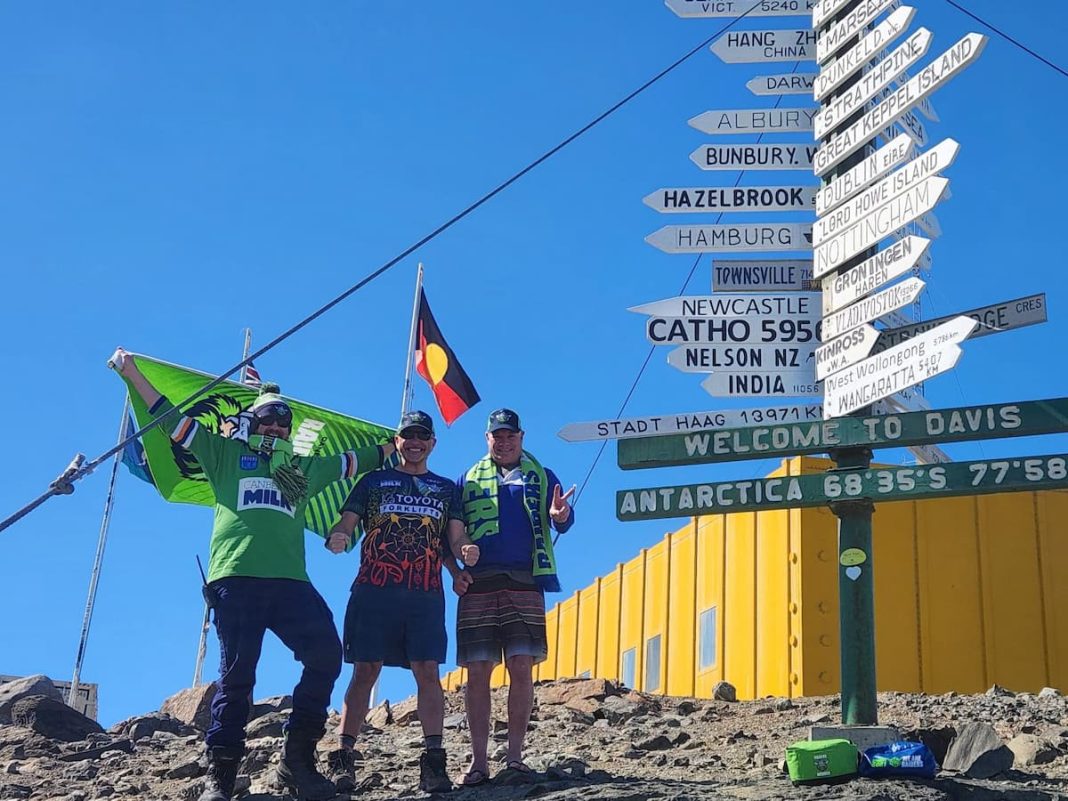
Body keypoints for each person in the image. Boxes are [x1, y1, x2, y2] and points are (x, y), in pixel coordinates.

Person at [112, 348, 393, 801]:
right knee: (238, 675)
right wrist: (133, 373)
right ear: (252, 422)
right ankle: (219, 776)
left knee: (325, 655)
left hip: (289, 582)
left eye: (283, 423)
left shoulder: (302, 469)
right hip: (235, 579)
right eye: (267, 420)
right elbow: (171, 419)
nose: (276, 428)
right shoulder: (222, 453)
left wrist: (393, 447)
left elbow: (354, 461)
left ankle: (296, 762)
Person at [326, 410, 480, 794]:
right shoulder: (373, 481)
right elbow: (347, 521)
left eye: (422, 436)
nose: (415, 442)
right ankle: (343, 758)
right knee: (365, 670)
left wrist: (465, 555)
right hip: (374, 589)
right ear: (397, 442)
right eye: (408, 436)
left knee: (428, 671)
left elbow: (453, 540)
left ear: (432, 443)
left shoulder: (446, 489)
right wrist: (339, 535)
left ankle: (433, 763)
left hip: (425, 594)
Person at [450, 408, 575, 786]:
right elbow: (452, 533)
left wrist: (560, 513)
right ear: (487, 439)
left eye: (510, 436)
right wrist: (459, 561)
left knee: (522, 667)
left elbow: (562, 520)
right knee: (477, 673)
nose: (503, 442)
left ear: (521, 437)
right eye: (496, 436)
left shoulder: (542, 475)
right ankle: (478, 760)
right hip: (479, 584)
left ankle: (516, 757)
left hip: (525, 580)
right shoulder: (467, 479)